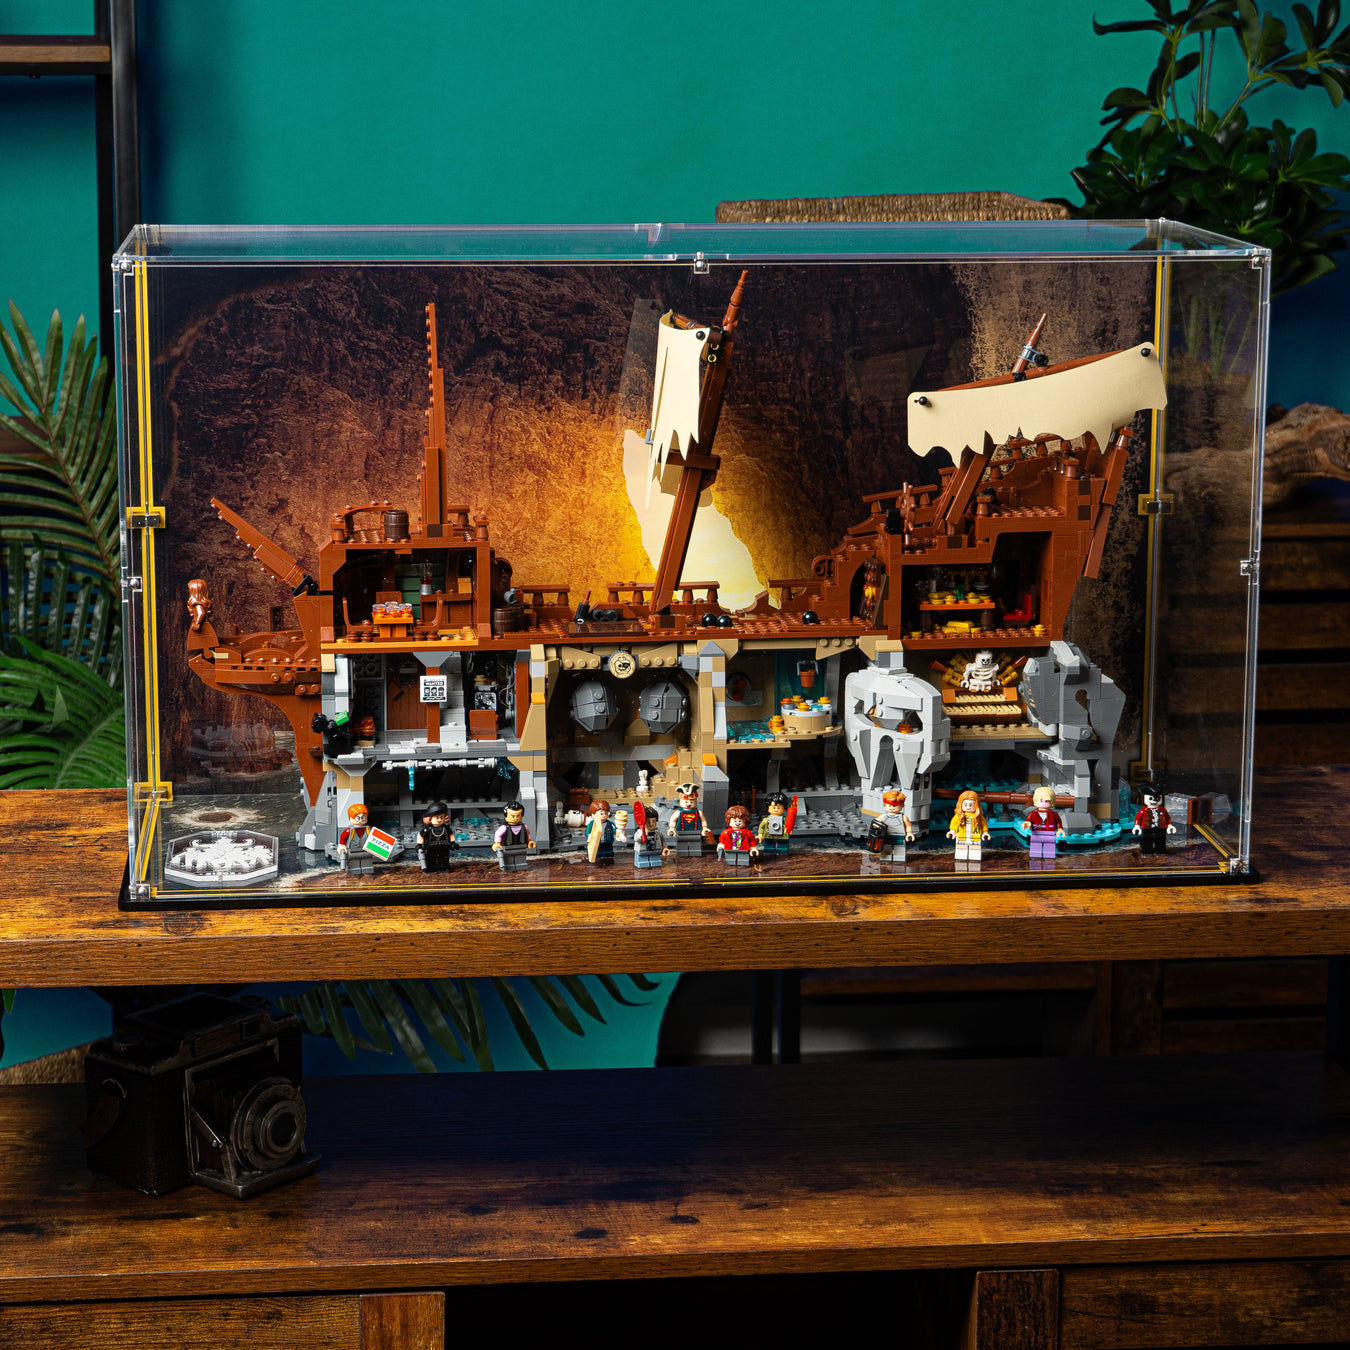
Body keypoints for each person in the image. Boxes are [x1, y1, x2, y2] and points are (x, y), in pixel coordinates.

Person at [865, 787, 916, 861]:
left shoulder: (903, 817)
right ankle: (886, 857)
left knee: (900, 848)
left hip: (899, 835)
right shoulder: (883, 816)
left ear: (901, 805)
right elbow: (875, 823)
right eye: (889, 805)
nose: (892, 808)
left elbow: (908, 825)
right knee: (886, 847)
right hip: (886, 835)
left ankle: (899, 857)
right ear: (885, 805)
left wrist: (909, 833)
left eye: (894, 806)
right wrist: (876, 826)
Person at [666, 782, 712, 858]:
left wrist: (704, 828)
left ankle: (695, 853)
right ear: (680, 801)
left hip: (696, 832)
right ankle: (682, 853)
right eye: (686, 801)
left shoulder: (698, 812)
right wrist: (672, 828)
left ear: (696, 801)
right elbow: (673, 820)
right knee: (682, 845)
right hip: (681, 832)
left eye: (691, 801)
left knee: (695, 845)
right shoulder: (678, 812)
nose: (689, 804)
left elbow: (703, 820)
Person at [946, 789, 991, 864]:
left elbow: (983, 824)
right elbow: (954, 824)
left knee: (975, 852)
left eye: (970, 805)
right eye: (965, 805)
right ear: (961, 804)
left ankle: (974, 859)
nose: (968, 807)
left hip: (975, 837)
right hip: (961, 836)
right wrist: (952, 831)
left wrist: (985, 832)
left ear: (976, 805)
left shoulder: (978, 817)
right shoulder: (958, 816)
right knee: (961, 851)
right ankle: (961, 860)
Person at [1023, 785, 1066, 861]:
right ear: (1035, 801)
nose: (1043, 803)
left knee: (1049, 847)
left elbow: (1058, 822)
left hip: (1049, 832)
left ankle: (1049, 858)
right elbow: (1028, 820)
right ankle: (1035, 858)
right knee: (1035, 847)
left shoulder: (1053, 814)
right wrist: (1027, 823)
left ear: (1052, 802)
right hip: (1036, 832)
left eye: (1046, 801)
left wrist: (1060, 829)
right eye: (1041, 800)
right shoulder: (1033, 813)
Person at [1132, 783, 1176, 855]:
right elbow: (1138, 818)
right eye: (1151, 798)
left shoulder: (1163, 810)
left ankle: (1160, 851)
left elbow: (1167, 818)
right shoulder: (1144, 810)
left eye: (1157, 798)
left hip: (1161, 828)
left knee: (1160, 840)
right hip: (1147, 828)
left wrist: (1169, 825)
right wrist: (1136, 826)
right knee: (1146, 840)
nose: (1154, 801)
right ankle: (1147, 852)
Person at [492, 800, 535, 871]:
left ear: (521, 815)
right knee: (508, 860)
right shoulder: (504, 827)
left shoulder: (524, 826)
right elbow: (498, 834)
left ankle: (521, 866)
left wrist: (529, 841)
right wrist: (497, 843)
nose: (515, 818)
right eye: (512, 816)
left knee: (521, 859)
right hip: (507, 848)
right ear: (506, 816)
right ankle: (509, 867)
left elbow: (528, 834)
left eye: (518, 816)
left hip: (521, 847)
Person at [416, 800, 458, 873]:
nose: (439, 820)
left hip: (444, 847)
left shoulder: (446, 828)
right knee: (430, 859)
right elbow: (420, 835)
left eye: (441, 817)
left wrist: (453, 843)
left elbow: (451, 834)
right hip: (430, 848)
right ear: (430, 819)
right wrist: (419, 845)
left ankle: (444, 868)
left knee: (444, 859)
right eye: (437, 818)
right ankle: (431, 869)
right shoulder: (428, 829)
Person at [338, 803, 376, 875]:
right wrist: (342, 845)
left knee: (367, 863)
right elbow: (343, 837)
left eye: (363, 817)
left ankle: (367, 871)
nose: (361, 820)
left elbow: (376, 836)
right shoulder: (349, 830)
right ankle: (354, 872)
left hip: (367, 850)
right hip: (353, 851)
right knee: (353, 864)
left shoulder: (369, 829)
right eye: (358, 818)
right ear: (350, 818)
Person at [757, 792, 797, 858]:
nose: (776, 810)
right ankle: (769, 854)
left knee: (783, 847)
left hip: (782, 836)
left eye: (778, 808)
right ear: (768, 808)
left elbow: (789, 825)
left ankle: (782, 853)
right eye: (773, 807)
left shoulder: (785, 820)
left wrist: (789, 829)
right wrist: (760, 834)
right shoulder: (766, 820)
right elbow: (761, 827)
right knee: (769, 847)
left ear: (784, 809)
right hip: (769, 836)